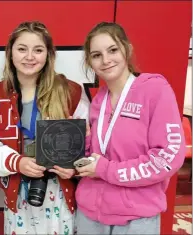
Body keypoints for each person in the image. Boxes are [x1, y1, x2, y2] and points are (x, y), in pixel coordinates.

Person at [74, 22, 186, 234]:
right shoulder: (99, 100)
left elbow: (168, 158)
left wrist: (106, 170)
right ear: (90, 61)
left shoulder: (154, 90)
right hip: (90, 215)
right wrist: (81, 145)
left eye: (113, 50)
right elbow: (97, 157)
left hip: (135, 219)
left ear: (127, 49)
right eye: (97, 55)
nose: (106, 60)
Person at [0, 21, 90, 235]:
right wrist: (19, 162)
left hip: (60, 193)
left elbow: (90, 145)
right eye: (22, 49)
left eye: (38, 50)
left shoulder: (70, 92)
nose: (29, 57)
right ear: (10, 53)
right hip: (18, 193)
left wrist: (75, 167)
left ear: (49, 54)